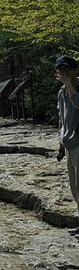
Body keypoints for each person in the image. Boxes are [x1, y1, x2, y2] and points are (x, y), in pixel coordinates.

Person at [55, 55, 79, 216]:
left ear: (75, 70)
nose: (62, 73)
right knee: (74, 186)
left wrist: (69, 85)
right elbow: (61, 118)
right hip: (68, 142)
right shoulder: (61, 92)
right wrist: (61, 144)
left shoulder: (75, 87)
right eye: (59, 69)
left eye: (66, 69)